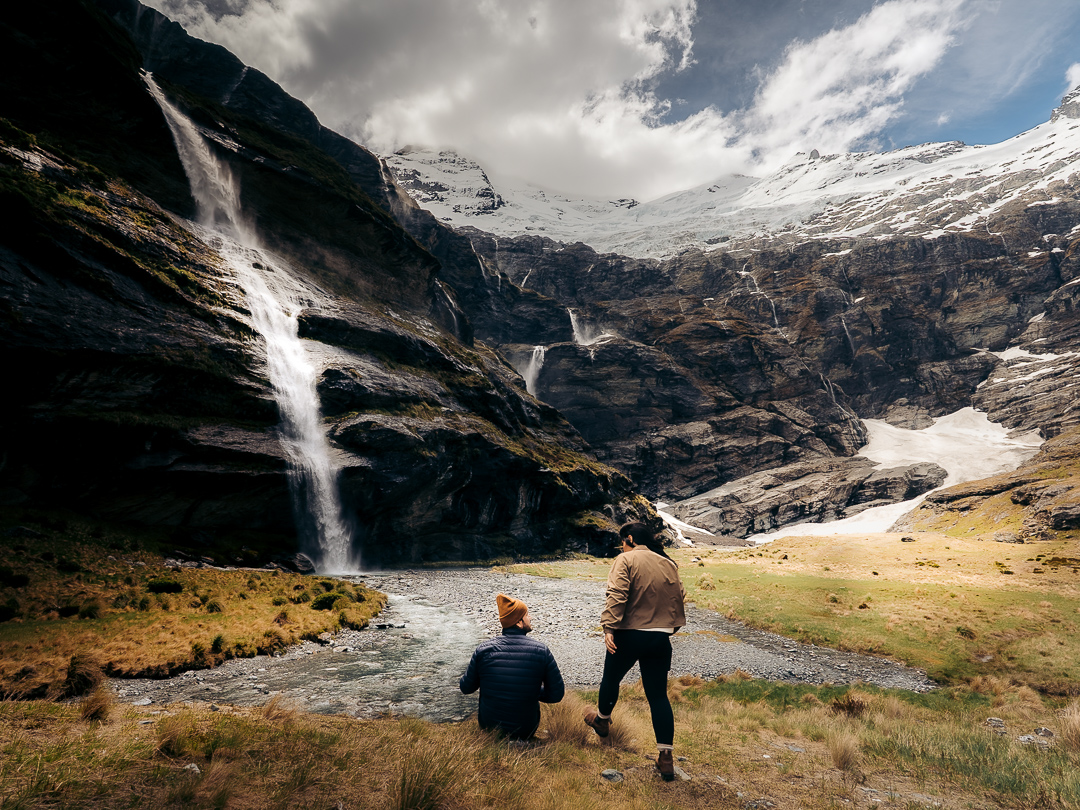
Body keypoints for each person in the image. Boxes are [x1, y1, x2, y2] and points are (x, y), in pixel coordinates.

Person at [584, 522, 686, 781]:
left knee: (611, 678)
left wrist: (609, 627)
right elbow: (678, 596)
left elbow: (617, 594)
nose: (621, 546)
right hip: (660, 638)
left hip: (629, 634)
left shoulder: (626, 559)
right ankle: (665, 758)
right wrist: (669, 628)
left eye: (623, 542)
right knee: (658, 696)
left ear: (629, 539)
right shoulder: (668, 563)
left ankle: (603, 721)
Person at [459, 593, 564, 740]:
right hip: (526, 730)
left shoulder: (483, 650)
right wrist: (529, 690)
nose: (530, 618)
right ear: (519, 623)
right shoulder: (541, 651)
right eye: (527, 615)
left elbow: (466, 688)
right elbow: (556, 694)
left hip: (489, 728)